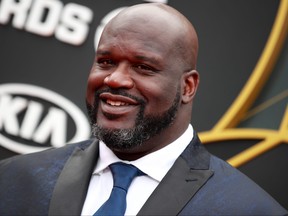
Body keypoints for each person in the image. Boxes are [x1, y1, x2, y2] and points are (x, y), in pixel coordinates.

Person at [0, 3, 287, 215]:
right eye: (106, 61)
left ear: (187, 87)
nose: (115, 79)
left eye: (143, 67)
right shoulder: (15, 180)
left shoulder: (247, 209)